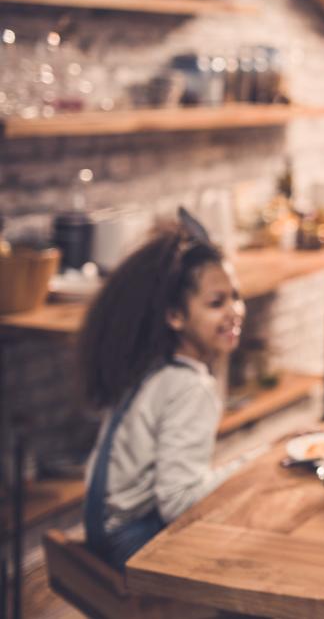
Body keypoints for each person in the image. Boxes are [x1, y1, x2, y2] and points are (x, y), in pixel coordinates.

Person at [78, 214, 246, 569]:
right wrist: (251, 465)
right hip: (132, 541)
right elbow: (179, 503)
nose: (234, 311)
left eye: (236, 296)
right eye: (217, 303)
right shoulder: (191, 388)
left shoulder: (154, 367)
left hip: (100, 530)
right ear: (175, 316)